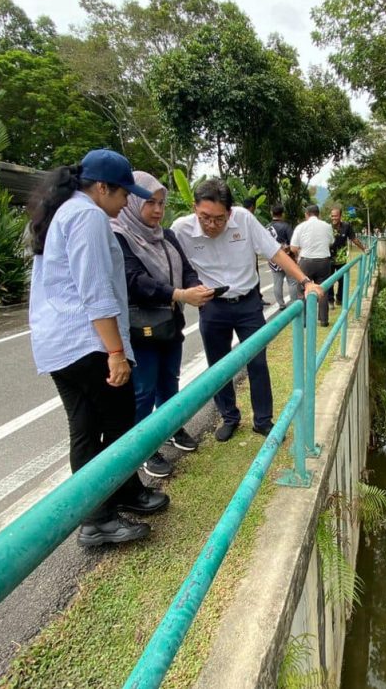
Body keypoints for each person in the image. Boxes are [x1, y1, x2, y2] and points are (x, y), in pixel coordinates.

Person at [27, 149, 169, 547]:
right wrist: (116, 353)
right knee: (120, 426)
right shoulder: (88, 215)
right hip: (88, 344)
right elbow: (95, 291)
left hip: (59, 345)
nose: (127, 201)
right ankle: (98, 519)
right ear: (103, 187)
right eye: (124, 193)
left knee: (87, 430)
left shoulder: (62, 211)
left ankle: (120, 495)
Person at [172, 179, 325, 442]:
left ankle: (263, 420)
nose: (211, 225)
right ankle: (229, 417)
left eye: (219, 219)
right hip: (212, 306)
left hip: (248, 304)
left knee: (257, 362)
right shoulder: (181, 229)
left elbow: (275, 254)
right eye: (205, 218)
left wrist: (306, 282)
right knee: (218, 368)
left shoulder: (243, 220)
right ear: (194, 208)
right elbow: (175, 267)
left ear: (229, 213)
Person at [111, 171, 214, 479]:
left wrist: (198, 287)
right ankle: (144, 448)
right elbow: (134, 281)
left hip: (169, 323)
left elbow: (186, 268)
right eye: (149, 203)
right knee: (143, 389)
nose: (157, 210)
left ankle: (170, 427)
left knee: (170, 380)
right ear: (131, 203)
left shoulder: (166, 236)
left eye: (161, 203)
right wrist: (180, 293)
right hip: (140, 328)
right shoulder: (119, 235)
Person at [291, 205, 334, 327]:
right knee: (323, 290)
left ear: (306, 214)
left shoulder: (301, 227)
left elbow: (293, 247)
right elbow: (331, 242)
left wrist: (301, 251)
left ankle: (304, 321)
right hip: (324, 262)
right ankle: (324, 320)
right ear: (318, 214)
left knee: (303, 291)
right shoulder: (327, 226)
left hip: (306, 262)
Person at [327, 206, 366, 307]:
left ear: (340, 216)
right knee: (329, 281)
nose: (333, 218)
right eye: (332, 216)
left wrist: (363, 248)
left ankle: (339, 299)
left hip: (342, 259)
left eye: (336, 216)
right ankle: (330, 301)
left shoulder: (346, 226)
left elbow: (353, 239)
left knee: (342, 281)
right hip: (329, 258)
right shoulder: (327, 227)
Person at [267, 204, 297, 311]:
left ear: (272, 213)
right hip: (287, 258)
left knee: (277, 283)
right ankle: (294, 303)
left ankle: (281, 304)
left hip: (273, 259)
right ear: (282, 214)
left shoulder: (267, 227)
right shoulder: (286, 226)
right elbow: (293, 243)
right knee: (292, 282)